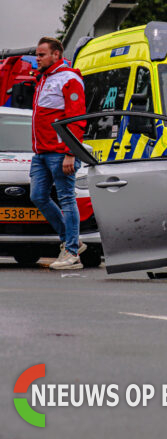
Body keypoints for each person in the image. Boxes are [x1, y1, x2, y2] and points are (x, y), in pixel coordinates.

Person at [30, 37, 87, 270]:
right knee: (38, 196)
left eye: (42, 54)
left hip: (59, 153)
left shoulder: (69, 78)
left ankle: (71, 253)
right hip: (41, 153)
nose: (37, 58)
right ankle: (72, 240)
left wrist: (70, 153)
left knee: (66, 198)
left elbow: (76, 119)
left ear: (56, 55)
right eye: (37, 54)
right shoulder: (43, 79)